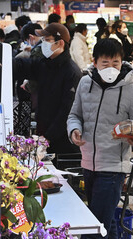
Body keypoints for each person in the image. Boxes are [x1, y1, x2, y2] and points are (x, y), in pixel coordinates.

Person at [67, 38, 133, 239]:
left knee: (95, 223)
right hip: (88, 161)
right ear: (95, 62)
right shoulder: (84, 83)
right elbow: (74, 115)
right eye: (106, 62)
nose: (111, 66)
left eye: (116, 61)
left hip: (114, 165)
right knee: (107, 221)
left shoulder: (132, 88)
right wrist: (75, 131)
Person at [13, 23, 81, 155]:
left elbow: (66, 112)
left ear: (60, 43)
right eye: (42, 40)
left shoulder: (72, 72)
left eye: (47, 40)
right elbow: (23, 66)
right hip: (44, 137)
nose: (43, 43)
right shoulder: (45, 64)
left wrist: (47, 137)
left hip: (63, 144)